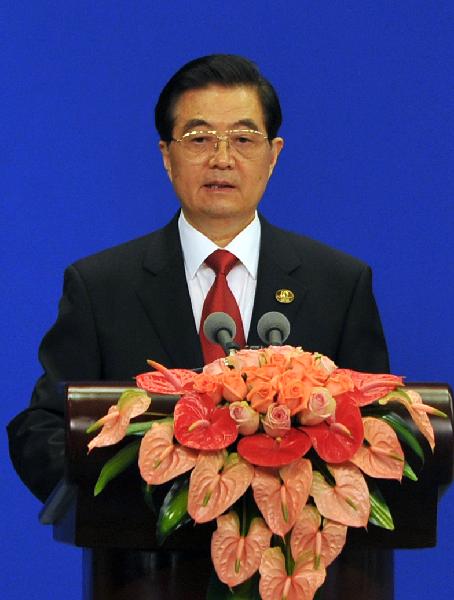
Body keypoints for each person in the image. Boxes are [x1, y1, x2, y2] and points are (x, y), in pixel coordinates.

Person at [7, 54, 391, 599]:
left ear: (273, 155)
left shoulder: (339, 282)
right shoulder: (101, 284)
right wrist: (130, 498)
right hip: (145, 575)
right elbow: (42, 428)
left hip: (304, 575)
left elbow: (376, 431)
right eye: (198, 138)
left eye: (243, 138)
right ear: (166, 156)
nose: (222, 158)